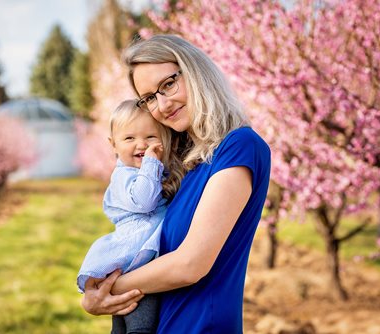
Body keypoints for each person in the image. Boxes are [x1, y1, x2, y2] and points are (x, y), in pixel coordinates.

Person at [80, 34, 271, 333]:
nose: (163, 104)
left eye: (168, 84)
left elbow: (190, 264)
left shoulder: (239, 146)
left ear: (195, 72)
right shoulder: (186, 164)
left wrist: (104, 291)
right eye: (149, 98)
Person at [77, 99, 179, 333]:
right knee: (141, 324)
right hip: (134, 263)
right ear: (113, 145)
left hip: (140, 263)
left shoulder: (147, 171)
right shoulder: (125, 176)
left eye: (151, 137)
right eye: (129, 138)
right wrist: (152, 163)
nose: (141, 145)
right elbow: (144, 202)